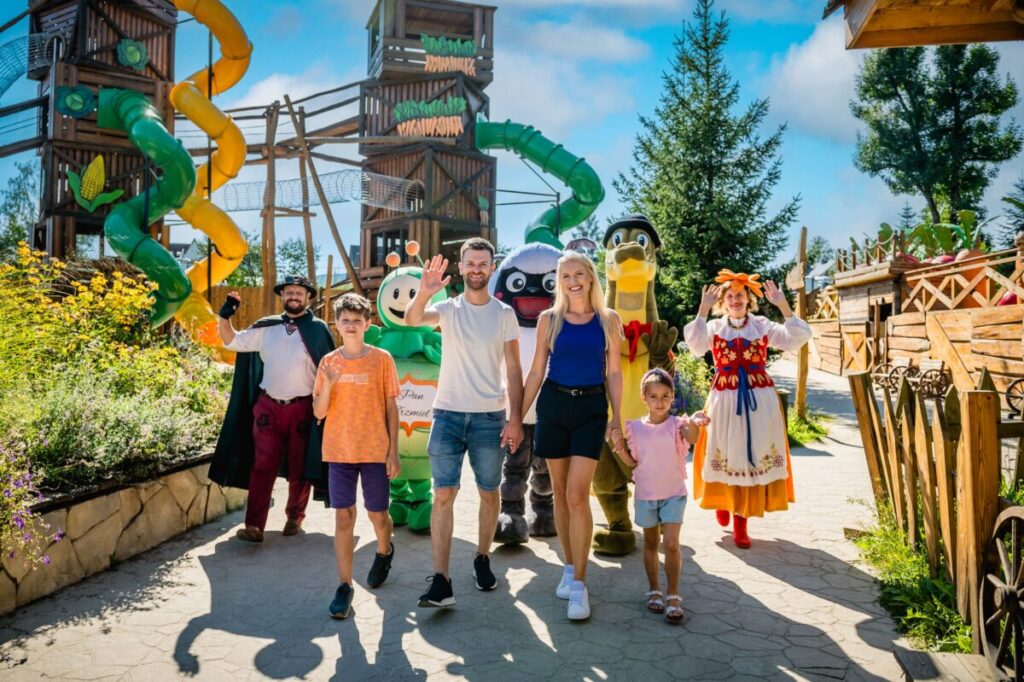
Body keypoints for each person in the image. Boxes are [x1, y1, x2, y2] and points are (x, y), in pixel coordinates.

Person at [405, 237, 524, 608]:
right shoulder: (448, 309)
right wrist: (424, 293)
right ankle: (442, 581)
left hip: (490, 417)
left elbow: (514, 368)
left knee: (489, 492)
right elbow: (411, 320)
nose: (476, 269)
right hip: (448, 415)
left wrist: (516, 418)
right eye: (470, 263)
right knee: (443, 494)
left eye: (482, 263)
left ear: (492, 268)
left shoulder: (504, 314)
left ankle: (482, 557)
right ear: (461, 267)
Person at [521, 250, 623, 620]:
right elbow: (536, 371)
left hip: (591, 409)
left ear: (591, 276)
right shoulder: (549, 319)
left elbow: (614, 372)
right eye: (565, 276)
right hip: (554, 406)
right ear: (559, 282)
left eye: (578, 274)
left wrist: (617, 418)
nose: (572, 281)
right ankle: (569, 565)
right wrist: (516, 417)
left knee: (578, 495)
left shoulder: (609, 320)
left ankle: (580, 585)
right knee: (561, 495)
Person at [682, 270, 812, 549]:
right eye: (729, 296)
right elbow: (695, 345)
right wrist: (703, 309)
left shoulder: (762, 325)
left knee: (750, 455)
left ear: (748, 299)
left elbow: (798, 337)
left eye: (740, 294)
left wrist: (783, 305)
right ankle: (722, 502)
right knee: (724, 450)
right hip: (723, 398)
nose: (735, 299)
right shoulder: (715, 328)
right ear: (723, 301)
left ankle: (741, 523)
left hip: (759, 399)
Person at [209, 275, 335, 543]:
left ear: (308, 297)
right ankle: (254, 525)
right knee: (262, 466)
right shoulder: (267, 327)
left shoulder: (318, 329)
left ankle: (294, 518)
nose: (294, 296)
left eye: (299, 292)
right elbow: (231, 341)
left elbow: (329, 370)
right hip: (268, 408)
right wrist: (225, 317)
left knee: (300, 467)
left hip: (303, 409)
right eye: (289, 291)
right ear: (282, 296)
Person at [312, 293, 401, 619]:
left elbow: (391, 406)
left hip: (375, 449)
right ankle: (344, 585)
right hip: (339, 451)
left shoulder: (382, 359)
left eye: (357, 320)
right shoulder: (328, 363)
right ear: (337, 323)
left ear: (367, 323)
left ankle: (384, 550)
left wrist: (394, 451)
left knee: (378, 515)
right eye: (345, 320)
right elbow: (318, 412)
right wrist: (329, 384)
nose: (350, 325)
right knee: (343, 517)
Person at [610, 368, 709, 624]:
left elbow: (692, 438)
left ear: (673, 396)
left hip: (673, 495)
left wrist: (694, 422)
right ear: (643, 397)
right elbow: (632, 462)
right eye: (653, 396)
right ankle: (654, 589)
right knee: (651, 543)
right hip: (646, 496)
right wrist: (619, 448)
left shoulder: (677, 425)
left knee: (672, 544)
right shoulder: (635, 428)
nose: (660, 402)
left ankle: (673, 594)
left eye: (665, 396)